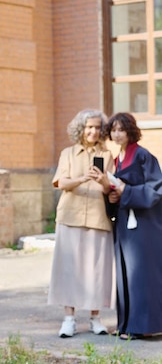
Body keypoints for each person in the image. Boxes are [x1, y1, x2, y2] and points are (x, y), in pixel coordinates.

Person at [47, 109, 115, 338]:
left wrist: (104, 181)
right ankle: (69, 319)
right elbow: (60, 182)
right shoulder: (67, 153)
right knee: (69, 270)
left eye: (97, 127)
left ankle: (96, 318)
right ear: (81, 129)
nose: (93, 131)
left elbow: (112, 190)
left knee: (96, 271)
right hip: (70, 217)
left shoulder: (107, 156)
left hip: (98, 218)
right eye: (89, 127)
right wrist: (82, 178)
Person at [104, 112, 162, 340]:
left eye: (121, 129)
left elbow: (156, 189)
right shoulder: (117, 159)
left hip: (144, 227)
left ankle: (141, 326)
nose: (117, 134)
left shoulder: (143, 156)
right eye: (113, 130)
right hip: (125, 226)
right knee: (125, 274)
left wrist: (125, 192)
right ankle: (126, 325)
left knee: (140, 274)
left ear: (130, 130)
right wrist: (112, 199)